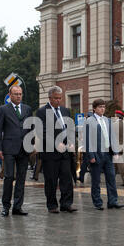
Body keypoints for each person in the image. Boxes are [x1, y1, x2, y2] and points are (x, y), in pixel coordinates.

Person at [36, 86, 77, 214]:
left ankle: (66, 203)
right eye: (56, 98)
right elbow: (40, 132)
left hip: (65, 152)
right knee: (51, 180)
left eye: (60, 98)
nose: (58, 100)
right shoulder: (42, 112)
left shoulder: (65, 111)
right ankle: (52, 205)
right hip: (50, 153)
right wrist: (55, 143)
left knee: (66, 179)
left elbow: (70, 128)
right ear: (50, 98)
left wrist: (71, 143)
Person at [0, 85, 33, 217]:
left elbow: (31, 128)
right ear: (10, 95)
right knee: (9, 176)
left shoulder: (27, 109)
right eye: (16, 94)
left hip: (24, 148)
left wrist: (31, 144)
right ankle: (6, 206)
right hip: (9, 148)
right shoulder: (3, 109)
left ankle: (18, 207)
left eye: (20, 94)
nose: (18, 96)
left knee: (22, 178)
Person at [85, 99, 124, 211]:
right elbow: (87, 140)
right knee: (96, 180)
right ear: (94, 108)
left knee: (111, 178)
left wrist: (116, 151)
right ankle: (98, 202)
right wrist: (91, 156)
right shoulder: (89, 121)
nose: (102, 109)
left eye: (103, 107)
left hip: (108, 154)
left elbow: (112, 137)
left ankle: (113, 201)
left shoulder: (107, 120)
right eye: (100, 107)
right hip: (97, 154)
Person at [113, 110, 124, 186]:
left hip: (116, 147)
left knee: (119, 163)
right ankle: (111, 178)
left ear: (117, 116)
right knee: (115, 164)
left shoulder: (114, 125)